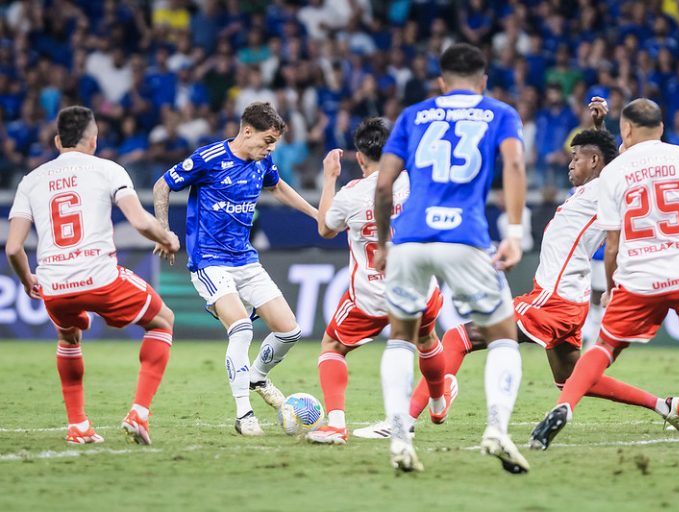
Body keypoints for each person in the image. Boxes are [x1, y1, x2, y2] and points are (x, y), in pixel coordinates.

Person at [358, 98, 679, 439]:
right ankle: (665, 406)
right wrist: (597, 129)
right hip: (567, 302)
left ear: (594, 162)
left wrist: (603, 134)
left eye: (576, 158)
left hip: (553, 300)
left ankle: (403, 423)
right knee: (573, 380)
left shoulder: (603, 187)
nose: (569, 164)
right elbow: (605, 158)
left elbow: (614, 163)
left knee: (459, 337)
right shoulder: (592, 189)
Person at [529, 99, 679, 451]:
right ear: (661, 127)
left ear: (626, 129)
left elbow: (611, 245)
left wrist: (611, 288)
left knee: (605, 347)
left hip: (639, 274)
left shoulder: (614, 171)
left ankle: (565, 405)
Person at [374, 43, 528, 473]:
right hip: (465, 237)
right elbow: (514, 165)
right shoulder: (499, 112)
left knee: (401, 336)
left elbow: (384, 185)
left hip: (410, 238)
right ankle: (496, 428)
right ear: (483, 81)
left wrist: (386, 243)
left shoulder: (413, 115)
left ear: (441, 82)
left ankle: (400, 436)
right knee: (502, 335)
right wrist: (514, 234)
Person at [5, 106, 180, 445]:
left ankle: (79, 426)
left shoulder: (30, 180)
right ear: (94, 140)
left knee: (68, 338)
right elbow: (141, 221)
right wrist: (168, 237)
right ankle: (139, 413)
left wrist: (28, 280)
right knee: (162, 320)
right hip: (101, 279)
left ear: (57, 141)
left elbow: (13, 248)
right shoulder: (108, 170)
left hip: (54, 284)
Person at [152, 102, 317, 436]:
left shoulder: (263, 161)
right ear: (246, 131)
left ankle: (257, 376)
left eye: (274, 143)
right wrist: (163, 230)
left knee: (289, 331)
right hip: (209, 262)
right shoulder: (209, 159)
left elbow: (278, 185)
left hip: (245, 260)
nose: (270, 149)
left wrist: (315, 214)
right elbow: (162, 185)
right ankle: (244, 415)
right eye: (267, 140)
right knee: (242, 328)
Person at [306, 118, 455, 446]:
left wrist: (330, 178)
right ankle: (438, 404)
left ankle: (336, 424)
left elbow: (325, 229)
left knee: (333, 346)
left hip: (372, 295)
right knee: (428, 339)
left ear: (359, 158)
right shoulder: (411, 181)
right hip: (417, 285)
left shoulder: (350, 195)